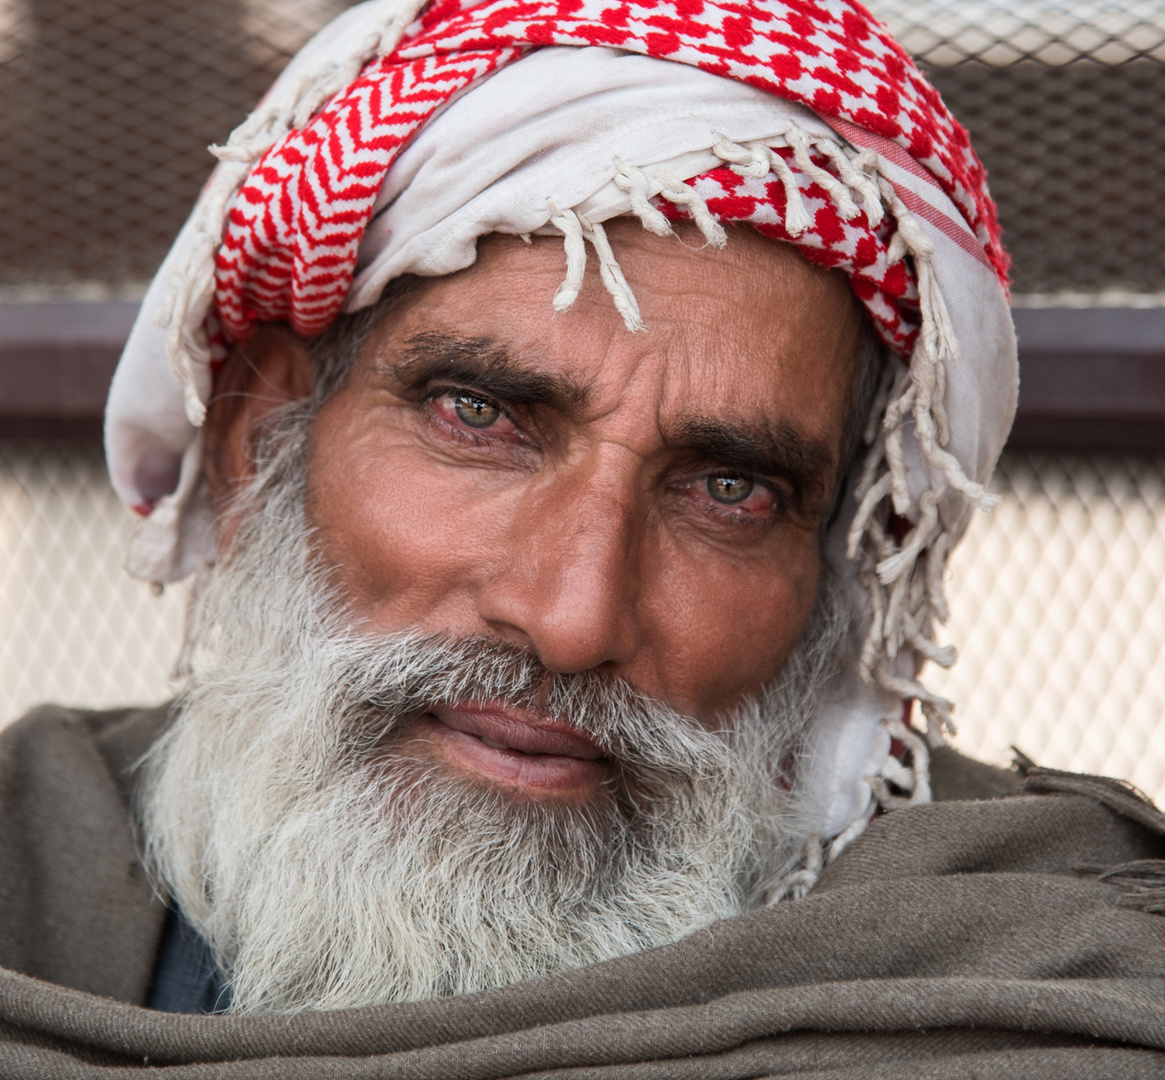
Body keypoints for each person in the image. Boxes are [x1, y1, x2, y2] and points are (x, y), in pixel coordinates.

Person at [2, 0, 1163, 1072]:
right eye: (482, 417)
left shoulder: (1034, 973)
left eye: (729, 488)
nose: (571, 619)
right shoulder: (28, 861)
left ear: (843, 563)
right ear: (262, 442)